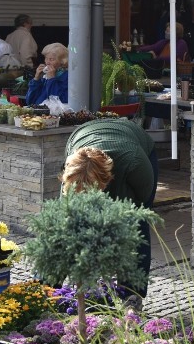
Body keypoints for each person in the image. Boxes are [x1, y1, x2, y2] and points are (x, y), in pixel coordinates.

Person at [62, 118, 158, 305]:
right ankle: (89, 289)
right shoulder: (73, 168)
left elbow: (143, 201)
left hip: (134, 145)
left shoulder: (134, 161)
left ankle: (132, 294)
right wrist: (47, 285)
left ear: (106, 180)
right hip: (86, 133)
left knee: (136, 226)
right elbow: (64, 219)